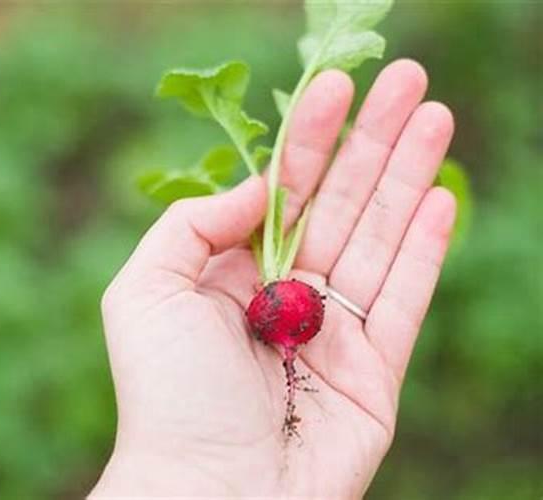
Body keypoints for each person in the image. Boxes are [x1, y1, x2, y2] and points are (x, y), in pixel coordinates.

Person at [90, 59, 456, 498]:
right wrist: (188, 467)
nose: (289, 355)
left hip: (284, 306)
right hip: (283, 307)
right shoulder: (283, 310)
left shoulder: (284, 310)